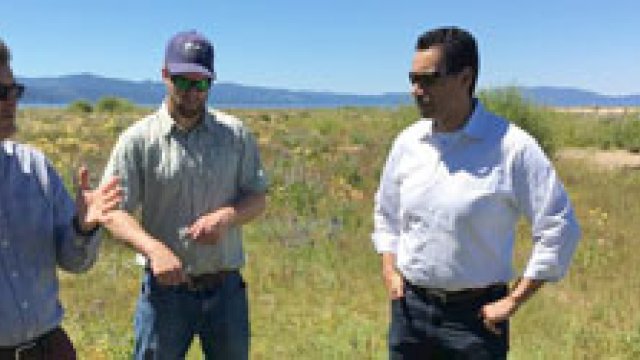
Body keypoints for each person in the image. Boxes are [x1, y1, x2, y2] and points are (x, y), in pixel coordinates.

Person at [371, 27, 581, 359]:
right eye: (412, 79)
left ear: (465, 78)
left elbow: (560, 226)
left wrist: (513, 301)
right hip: (410, 314)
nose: (416, 90)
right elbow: (386, 214)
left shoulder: (512, 147)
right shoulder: (408, 143)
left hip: (475, 324)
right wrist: (389, 269)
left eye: (428, 80)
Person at [100, 30, 268, 359]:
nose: (192, 92)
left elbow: (257, 197)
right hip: (165, 296)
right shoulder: (138, 140)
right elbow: (112, 212)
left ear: (212, 82)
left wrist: (228, 216)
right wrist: (154, 249)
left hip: (226, 291)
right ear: (165, 75)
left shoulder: (235, 135)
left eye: (201, 83)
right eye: (183, 81)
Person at [0, 38, 122, 359]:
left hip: (48, 348)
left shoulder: (36, 168)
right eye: (0, 93)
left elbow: (74, 261)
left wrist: (83, 228)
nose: (11, 102)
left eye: (14, 91)